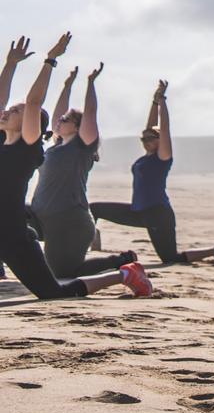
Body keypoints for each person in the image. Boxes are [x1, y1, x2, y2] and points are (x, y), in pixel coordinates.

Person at [1, 34, 153, 300]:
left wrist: (49, 61)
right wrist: (10, 64)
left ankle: (125, 274)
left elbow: (34, 102)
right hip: (26, 220)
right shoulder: (4, 140)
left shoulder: (27, 147)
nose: (6, 112)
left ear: (30, 122)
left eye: (15, 111)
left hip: (15, 235)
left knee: (55, 292)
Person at [88, 79, 214, 269]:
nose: (146, 140)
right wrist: (154, 101)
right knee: (94, 209)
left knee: (170, 257)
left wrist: (163, 100)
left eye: (151, 138)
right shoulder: (146, 156)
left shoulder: (162, 158)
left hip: (158, 214)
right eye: (143, 138)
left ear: (159, 141)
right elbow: (151, 128)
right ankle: (92, 246)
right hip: (138, 211)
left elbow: (163, 129)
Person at [30, 62, 138, 278]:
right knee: (8, 216)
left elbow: (90, 112)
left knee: (64, 274)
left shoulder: (82, 147)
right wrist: (67, 85)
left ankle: (122, 261)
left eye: (66, 120)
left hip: (69, 222)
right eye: (60, 120)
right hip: (41, 217)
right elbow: (57, 114)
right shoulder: (58, 146)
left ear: (79, 127)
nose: (59, 121)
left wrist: (90, 83)